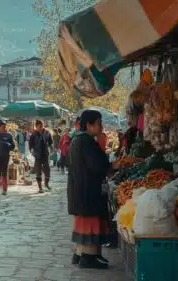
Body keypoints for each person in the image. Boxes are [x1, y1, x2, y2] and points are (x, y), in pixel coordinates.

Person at [67, 110, 119, 269]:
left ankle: (86, 253)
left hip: (82, 190)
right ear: (89, 125)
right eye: (98, 123)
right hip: (87, 191)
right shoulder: (86, 141)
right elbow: (96, 165)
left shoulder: (79, 139)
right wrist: (112, 166)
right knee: (90, 223)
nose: (101, 127)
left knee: (88, 222)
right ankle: (88, 258)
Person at [29, 120, 53, 193]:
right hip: (37, 156)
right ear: (36, 126)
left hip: (45, 155)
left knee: (47, 171)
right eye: (39, 126)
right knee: (38, 172)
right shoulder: (33, 135)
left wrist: (51, 149)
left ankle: (46, 184)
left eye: (42, 125)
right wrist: (32, 151)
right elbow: (31, 145)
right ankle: (40, 188)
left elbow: (50, 142)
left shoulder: (47, 133)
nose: (41, 127)